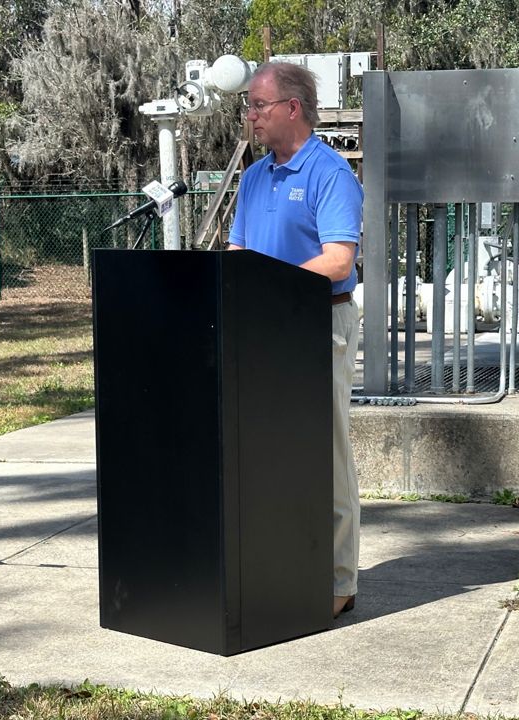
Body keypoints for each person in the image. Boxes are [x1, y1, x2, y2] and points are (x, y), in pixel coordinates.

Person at [226, 62, 362, 620]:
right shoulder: (255, 176)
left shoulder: (331, 174)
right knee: (263, 453)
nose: (250, 115)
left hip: (317, 326)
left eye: (258, 105)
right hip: (259, 331)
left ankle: (338, 580)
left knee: (326, 454)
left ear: (292, 108)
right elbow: (238, 255)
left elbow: (338, 259)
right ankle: (275, 564)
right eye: (249, 107)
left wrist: (274, 285)